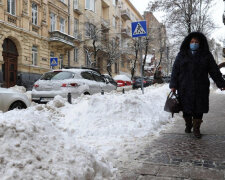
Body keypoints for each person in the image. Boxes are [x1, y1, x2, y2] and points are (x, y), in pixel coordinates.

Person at [169, 32, 225, 138]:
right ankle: (188, 124)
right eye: (192, 42)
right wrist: (173, 84)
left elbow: (214, 71)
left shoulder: (206, 55)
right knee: (186, 109)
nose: (194, 44)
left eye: (196, 42)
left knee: (199, 109)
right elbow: (175, 70)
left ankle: (196, 128)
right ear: (188, 42)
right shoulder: (182, 54)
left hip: (201, 87)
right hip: (184, 87)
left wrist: (221, 83)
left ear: (200, 43)